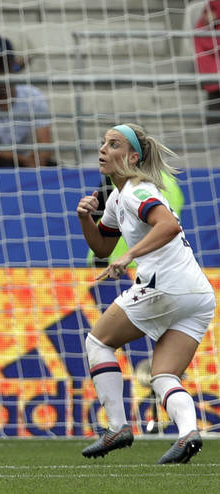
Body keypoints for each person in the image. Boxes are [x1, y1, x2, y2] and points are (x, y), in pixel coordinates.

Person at [76, 123, 214, 464]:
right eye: (103, 143)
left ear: (133, 156)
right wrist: (85, 218)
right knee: (164, 375)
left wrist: (131, 254)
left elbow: (169, 225)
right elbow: (102, 248)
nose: (103, 149)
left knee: (98, 342)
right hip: (197, 294)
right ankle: (187, 433)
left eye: (114, 144)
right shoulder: (116, 199)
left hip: (165, 285)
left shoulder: (137, 191)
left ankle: (118, 427)